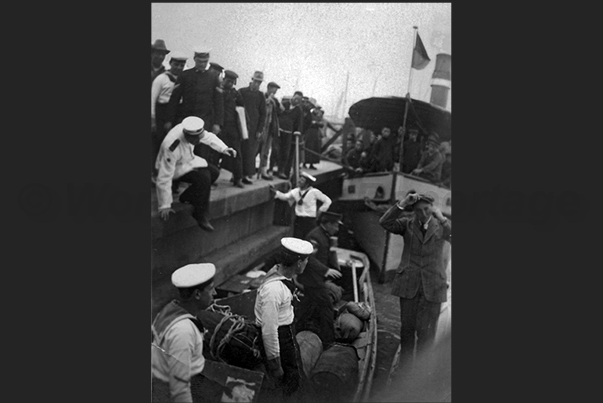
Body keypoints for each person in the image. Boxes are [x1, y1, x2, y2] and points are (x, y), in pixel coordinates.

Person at [379, 193, 451, 368]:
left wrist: (442, 218)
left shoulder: (441, 226)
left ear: (432, 208)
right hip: (409, 284)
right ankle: (404, 370)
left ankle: (421, 372)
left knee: (427, 333)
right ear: (414, 212)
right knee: (407, 330)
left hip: (433, 285)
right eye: (419, 211)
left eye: (427, 209)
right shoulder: (406, 224)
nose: (423, 214)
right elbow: (384, 223)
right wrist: (403, 204)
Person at [254, 237, 313, 400]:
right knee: (290, 384)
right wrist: (275, 365)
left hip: (287, 335)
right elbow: (269, 331)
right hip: (280, 340)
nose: (307, 264)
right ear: (299, 263)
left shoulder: (281, 275)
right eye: (306, 260)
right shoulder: (274, 290)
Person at [155, 116, 237, 231]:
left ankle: (187, 196)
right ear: (188, 136)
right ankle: (200, 214)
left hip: (188, 160)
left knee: (214, 173)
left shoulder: (192, 131)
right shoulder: (172, 146)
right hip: (174, 168)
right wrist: (165, 205)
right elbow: (164, 176)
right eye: (196, 140)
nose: (199, 141)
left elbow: (208, 137)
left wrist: (224, 149)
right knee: (204, 178)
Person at [151, 263, 218, 402]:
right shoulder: (183, 331)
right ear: (197, 294)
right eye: (211, 289)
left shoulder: (171, 309)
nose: (215, 293)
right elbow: (180, 389)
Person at [166, 47, 224, 168]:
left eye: (205, 61)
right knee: (181, 150)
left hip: (205, 121)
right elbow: (174, 100)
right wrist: (169, 121)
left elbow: (219, 103)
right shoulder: (185, 75)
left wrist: (217, 123)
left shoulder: (213, 78)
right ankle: (179, 181)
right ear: (194, 59)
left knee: (202, 153)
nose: (202, 64)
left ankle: (202, 181)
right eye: (199, 61)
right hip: (185, 120)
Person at [151, 51, 188, 180]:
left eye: (181, 65)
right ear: (171, 63)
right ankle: (154, 173)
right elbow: (152, 99)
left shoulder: (183, 80)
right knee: (159, 143)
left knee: (173, 146)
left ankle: (170, 176)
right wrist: (153, 120)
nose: (178, 68)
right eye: (176, 64)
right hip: (162, 112)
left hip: (177, 114)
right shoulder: (162, 78)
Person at [271, 172, 332, 239]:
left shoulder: (314, 192)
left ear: (307, 183)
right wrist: (275, 192)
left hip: (310, 221)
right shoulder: (296, 191)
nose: (299, 181)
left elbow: (328, 201)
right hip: (299, 220)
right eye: (300, 179)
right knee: (297, 239)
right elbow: (285, 197)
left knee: (309, 239)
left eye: (302, 180)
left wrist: (321, 210)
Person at [218, 70, 246, 188]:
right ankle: (212, 178)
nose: (229, 83)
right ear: (223, 79)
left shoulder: (236, 94)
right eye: (227, 81)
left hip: (233, 128)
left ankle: (237, 178)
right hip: (219, 126)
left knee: (236, 154)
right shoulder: (218, 91)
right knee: (215, 152)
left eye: (231, 82)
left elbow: (242, 110)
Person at [239, 71, 267, 184]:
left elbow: (263, 114)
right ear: (252, 80)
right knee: (239, 150)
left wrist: (260, 130)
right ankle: (236, 175)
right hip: (241, 126)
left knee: (250, 152)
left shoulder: (261, 96)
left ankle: (246, 175)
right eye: (256, 81)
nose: (257, 84)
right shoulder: (241, 92)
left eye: (259, 82)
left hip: (254, 129)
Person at [277, 91, 304, 180]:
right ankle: (270, 169)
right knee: (275, 150)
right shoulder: (284, 104)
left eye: (298, 100)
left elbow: (298, 123)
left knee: (285, 152)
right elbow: (277, 114)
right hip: (279, 130)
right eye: (295, 98)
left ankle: (281, 171)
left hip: (288, 132)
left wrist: (297, 132)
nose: (296, 100)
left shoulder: (298, 110)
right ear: (293, 97)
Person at [258, 81, 282, 180]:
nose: (275, 91)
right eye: (274, 89)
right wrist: (266, 102)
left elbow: (281, 112)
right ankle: (248, 172)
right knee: (255, 149)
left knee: (266, 151)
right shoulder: (261, 96)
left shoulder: (275, 100)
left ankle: (263, 171)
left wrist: (275, 104)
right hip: (261, 127)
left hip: (270, 128)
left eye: (276, 89)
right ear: (269, 88)